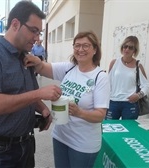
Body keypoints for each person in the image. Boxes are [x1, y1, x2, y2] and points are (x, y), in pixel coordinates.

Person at [0, 1, 62, 168]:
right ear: (15, 24)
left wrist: (42, 108)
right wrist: (39, 94)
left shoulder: (25, 57)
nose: (37, 38)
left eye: (39, 33)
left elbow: (27, 94)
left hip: (25, 144)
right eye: (34, 31)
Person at [24, 31, 110, 168]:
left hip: (83, 144)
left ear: (95, 49)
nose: (80, 49)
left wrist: (79, 112)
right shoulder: (69, 68)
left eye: (86, 46)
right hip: (61, 137)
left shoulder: (100, 77)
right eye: (77, 45)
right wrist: (37, 61)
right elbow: (43, 68)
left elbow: (100, 115)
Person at [105, 36, 149, 120]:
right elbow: (108, 83)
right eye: (125, 46)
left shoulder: (138, 66)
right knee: (109, 128)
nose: (127, 49)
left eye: (130, 47)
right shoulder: (114, 63)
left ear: (134, 50)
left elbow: (146, 85)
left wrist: (138, 95)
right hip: (113, 102)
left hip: (130, 103)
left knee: (129, 129)